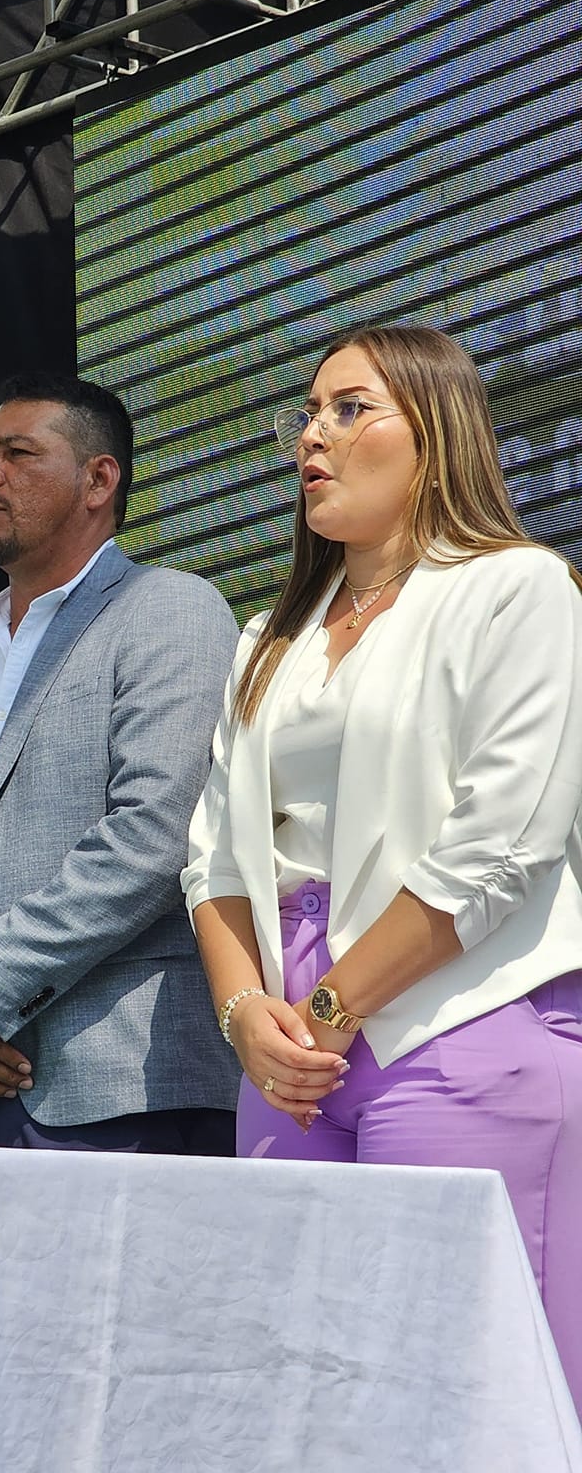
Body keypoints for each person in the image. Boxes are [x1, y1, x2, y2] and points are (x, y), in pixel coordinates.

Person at [184, 324, 582, 1392]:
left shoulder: (516, 588)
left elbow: (501, 843)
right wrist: (245, 1019)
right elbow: (213, 858)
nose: (311, 436)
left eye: (349, 409)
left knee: (471, 1390)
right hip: (288, 1055)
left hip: (458, 1019)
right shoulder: (265, 640)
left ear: (436, 430)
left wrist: (331, 1006)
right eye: (306, 414)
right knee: (306, 1392)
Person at [0, 373, 239, 1151]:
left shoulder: (171, 610)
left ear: (99, 480)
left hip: (129, 1090)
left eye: (18, 453)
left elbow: (154, 836)